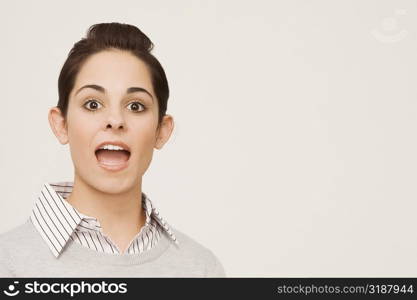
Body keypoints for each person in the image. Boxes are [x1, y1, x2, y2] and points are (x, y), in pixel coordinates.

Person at [0, 22, 225, 277]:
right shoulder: (8, 264)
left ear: (161, 131)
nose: (115, 120)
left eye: (136, 106)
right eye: (93, 104)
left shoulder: (202, 269)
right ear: (61, 124)